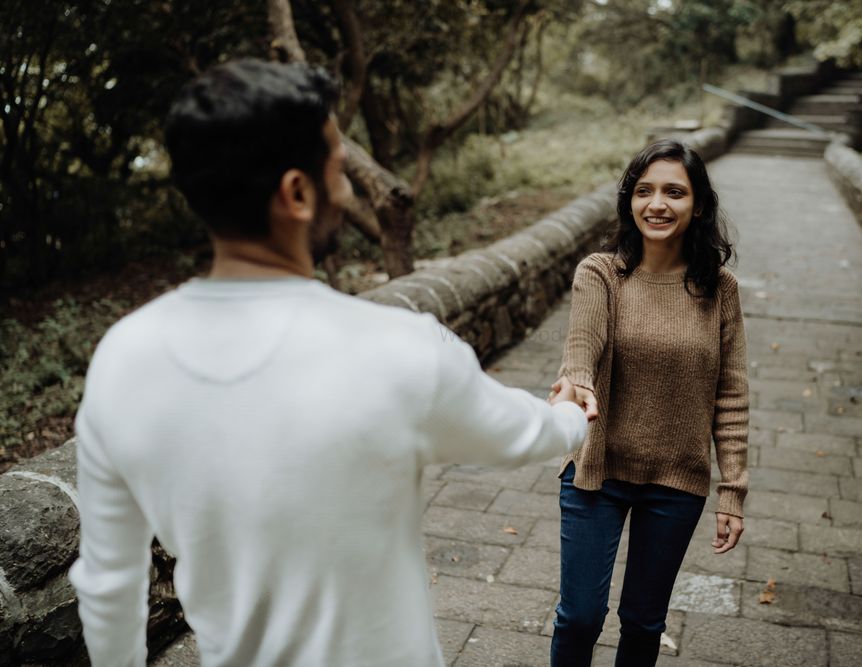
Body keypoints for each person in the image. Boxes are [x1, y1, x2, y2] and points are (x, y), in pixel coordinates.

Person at [67, 58, 589, 667]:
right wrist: (573, 414)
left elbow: (107, 584)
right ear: (297, 192)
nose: (346, 189)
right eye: (338, 168)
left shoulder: (121, 360)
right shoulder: (399, 347)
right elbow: (521, 434)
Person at [549, 139, 749, 666]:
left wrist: (733, 488)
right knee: (579, 618)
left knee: (642, 623)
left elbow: (730, 395)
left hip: (676, 480)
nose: (657, 204)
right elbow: (582, 343)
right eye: (644, 191)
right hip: (598, 469)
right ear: (629, 201)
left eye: (674, 192)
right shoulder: (601, 274)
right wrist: (577, 381)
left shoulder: (719, 290)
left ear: (698, 205)